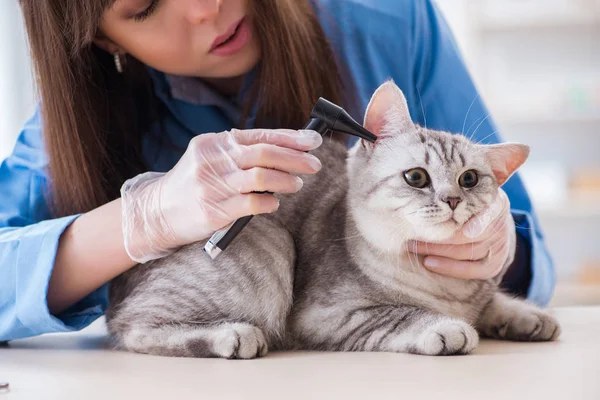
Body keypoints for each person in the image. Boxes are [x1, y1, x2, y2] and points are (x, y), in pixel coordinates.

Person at [0, 0, 554, 342]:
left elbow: (532, 249)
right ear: (100, 36)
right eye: (146, 5)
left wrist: (495, 247)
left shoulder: (387, 16)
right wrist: (140, 220)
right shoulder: (75, 121)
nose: (205, 6)